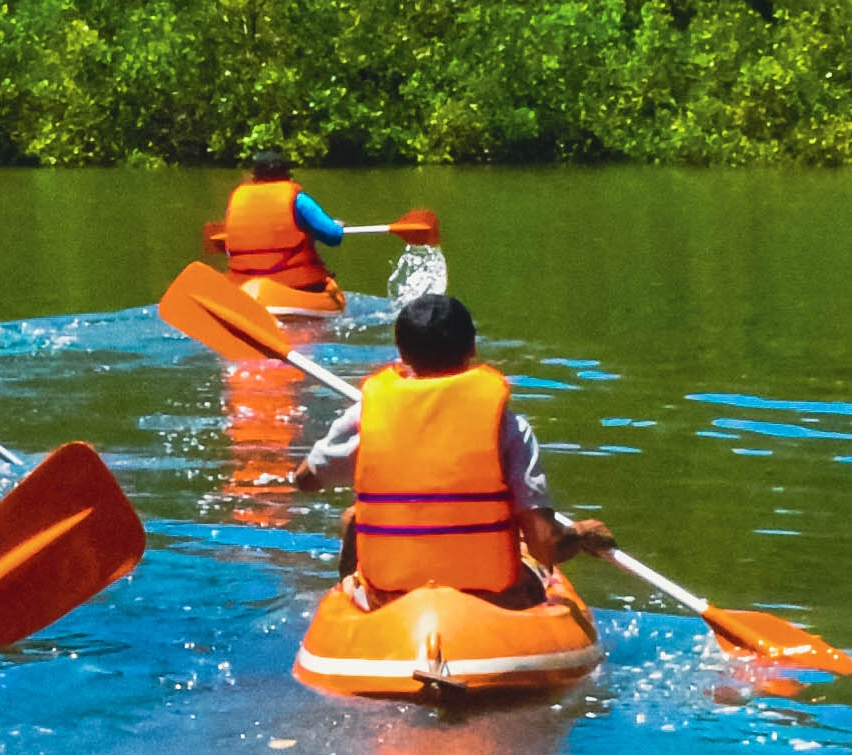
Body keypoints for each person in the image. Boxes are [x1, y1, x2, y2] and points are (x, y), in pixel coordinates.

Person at [291, 289, 614, 602]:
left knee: (355, 517)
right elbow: (544, 544)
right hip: (491, 599)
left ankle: (361, 618)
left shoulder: (364, 415)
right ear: (471, 347)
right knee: (527, 551)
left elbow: (306, 480)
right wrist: (581, 535)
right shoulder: (509, 426)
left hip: (391, 601)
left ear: (402, 354)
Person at [220, 148, 346, 295]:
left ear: (254, 176)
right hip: (297, 286)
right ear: (287, 175)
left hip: (245, 286)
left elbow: (229, 249)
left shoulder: (236, 202)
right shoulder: (299, 200)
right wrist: (337, 226)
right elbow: (333, 236)